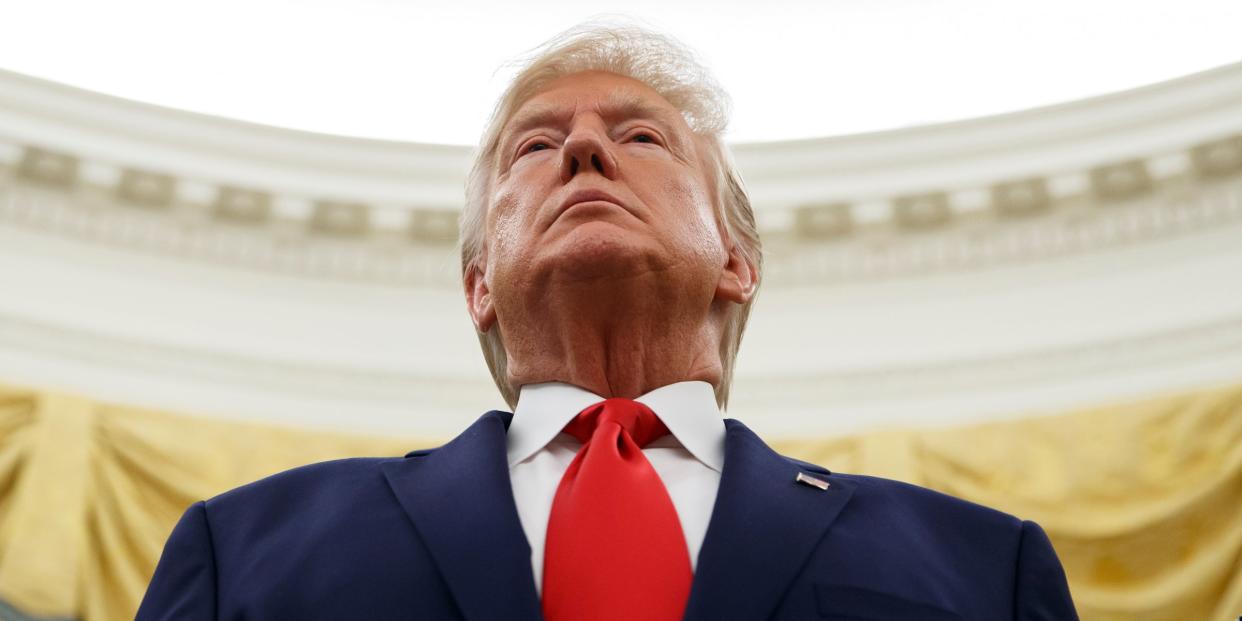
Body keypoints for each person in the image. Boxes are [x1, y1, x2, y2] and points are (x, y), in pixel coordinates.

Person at [137, 23, 1079, 621]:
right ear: (479, 285)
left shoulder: (982, 569)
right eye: (535, 145)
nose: (584, 146)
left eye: (640, 136)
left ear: (737, 262)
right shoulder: (245, 552)